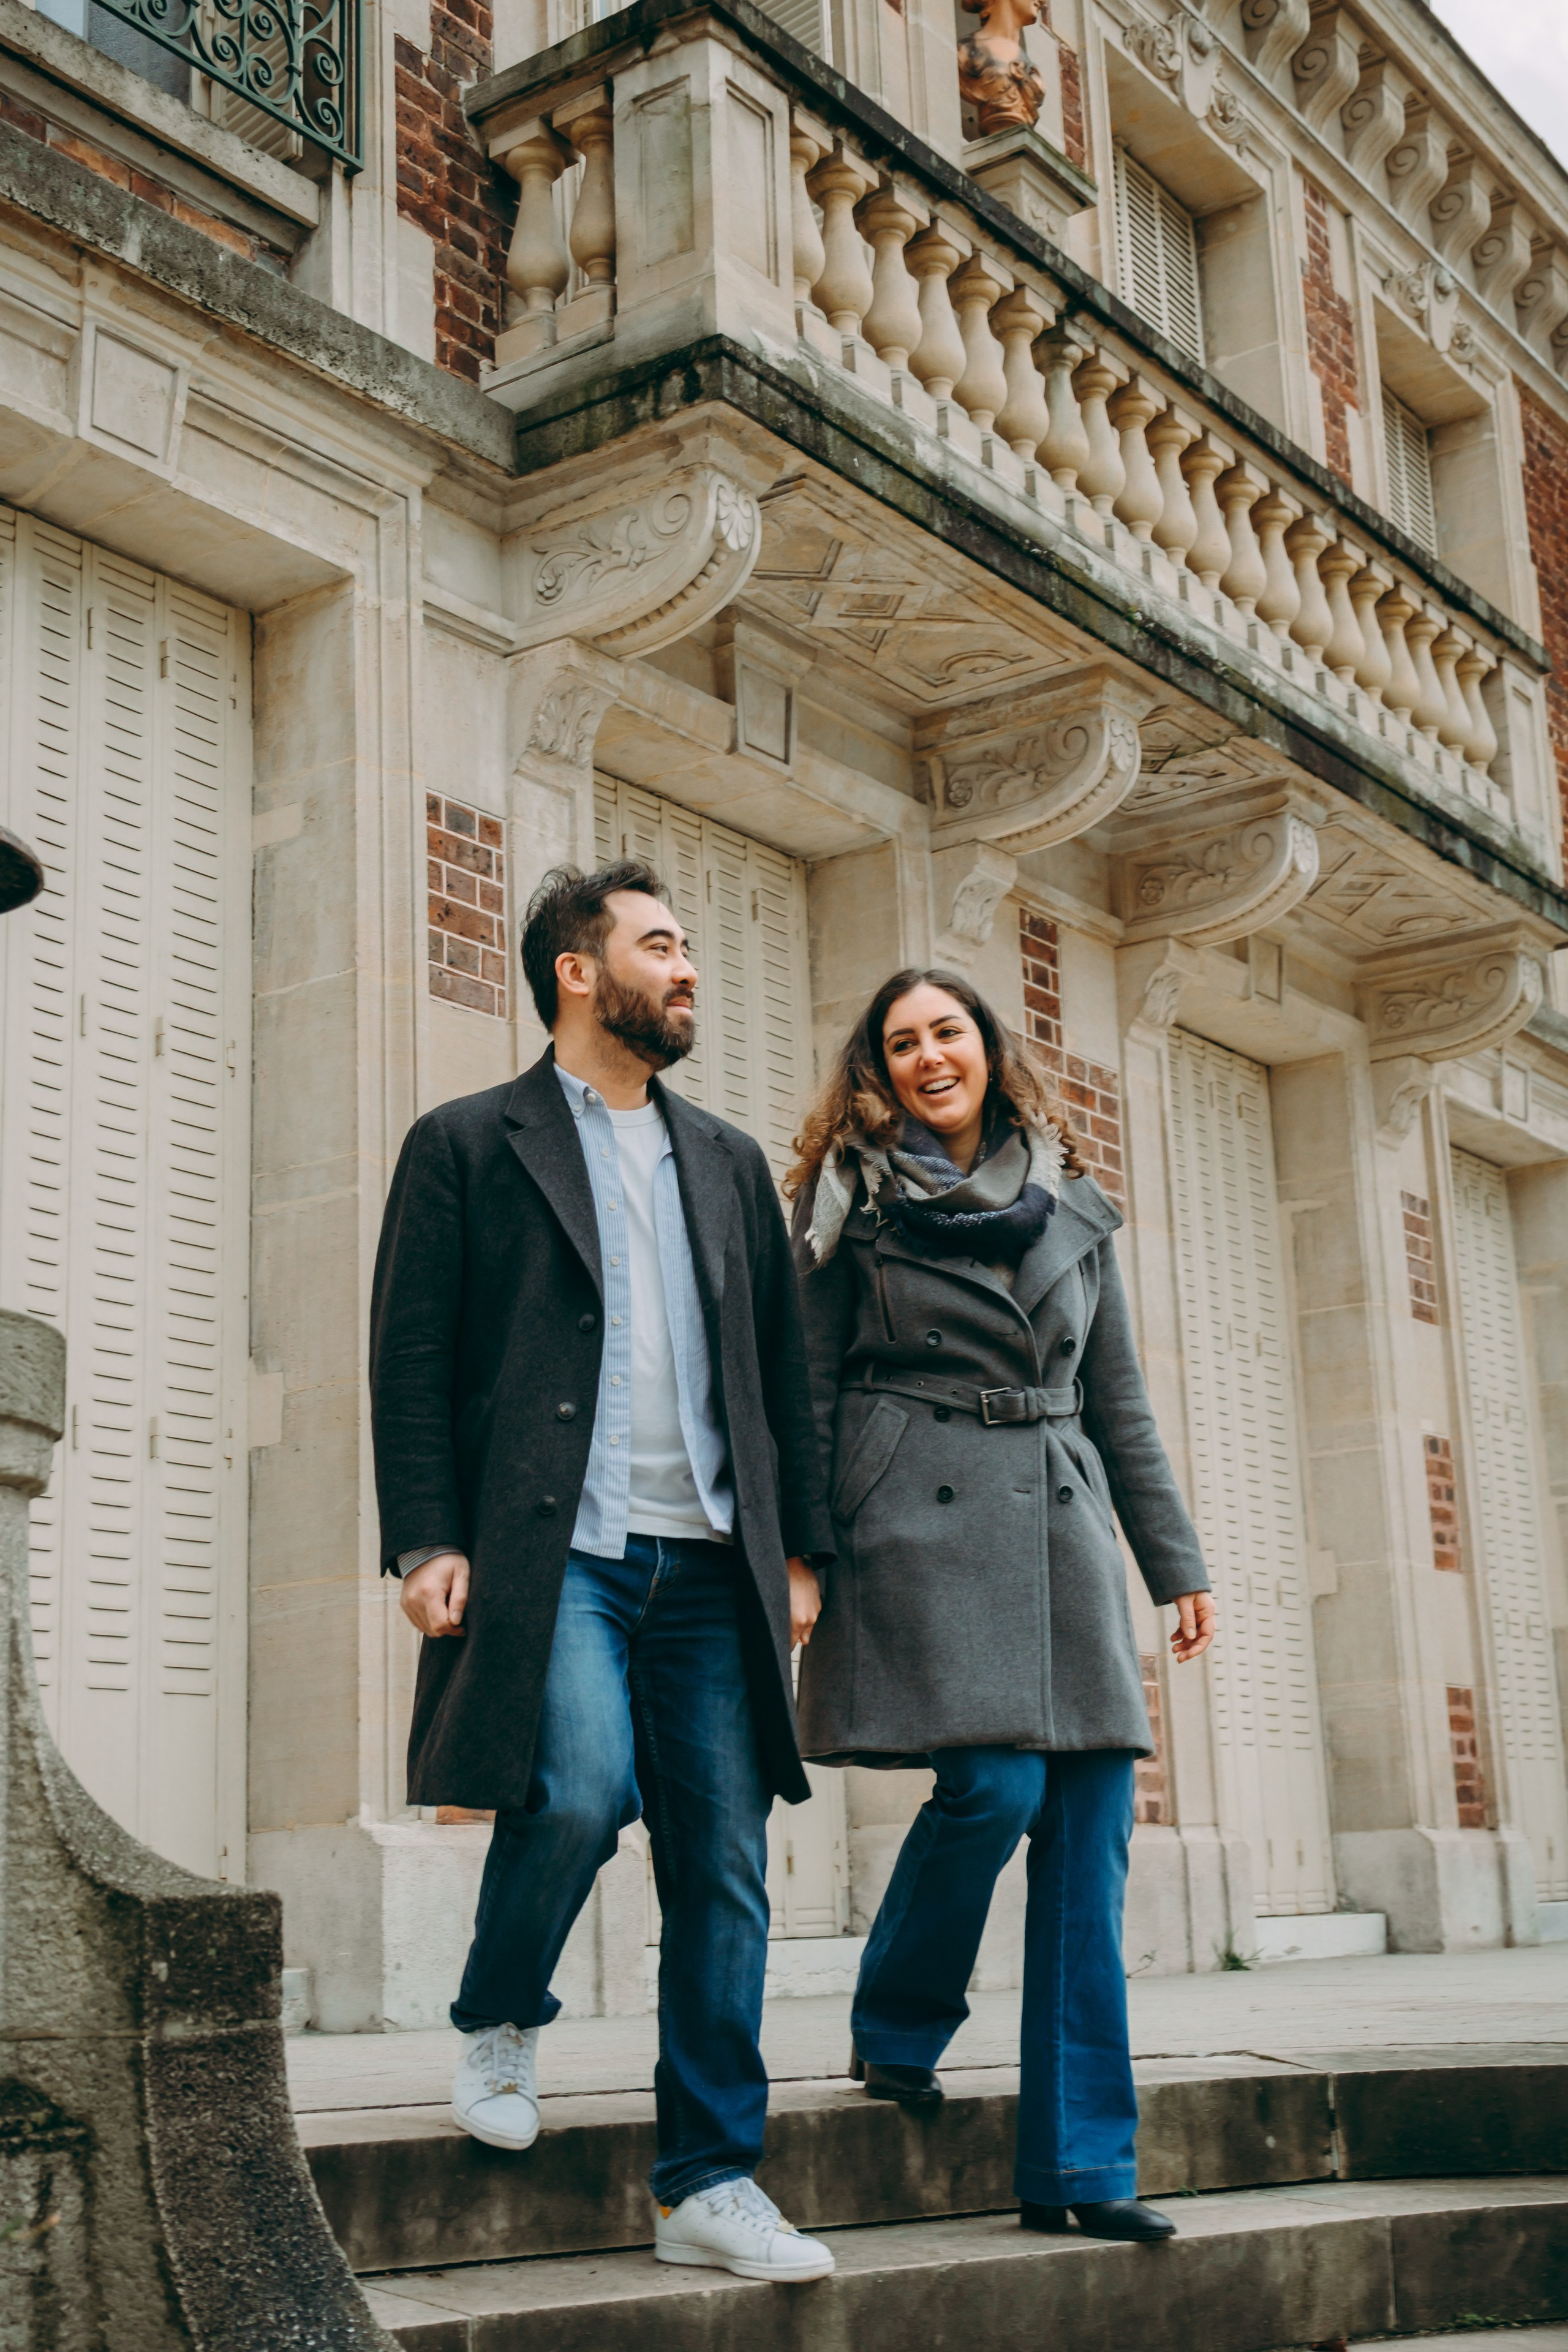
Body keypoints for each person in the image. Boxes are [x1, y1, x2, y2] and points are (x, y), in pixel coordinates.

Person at [369, 859, 837, 2284]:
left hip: (707, 1555)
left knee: (725, 1865)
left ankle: (707, 2180)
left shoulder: (729, 1162)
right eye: (660, 945)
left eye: (689, 944)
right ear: (579, 971)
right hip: (551, 1546)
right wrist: (426, 1538)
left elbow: (782, 1376)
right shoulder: (465, 1142)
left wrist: (800, 1549)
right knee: (570, 1789)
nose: (688, 968)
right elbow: (411, 1357)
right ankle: (501, 2011)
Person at [785, 968, 1216, 2244]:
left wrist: (1174, 1563)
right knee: (995, 1788)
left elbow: (1118, 1401)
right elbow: (805, 1386)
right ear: (877, 1067)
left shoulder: (1070, 1206)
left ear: (987, 1051)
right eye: (902, 1041)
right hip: (913, 1516)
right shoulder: (847, 1203)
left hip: (1058, 1520)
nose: (928, 1057)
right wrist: (805, 1551)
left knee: (1089, 1837)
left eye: (948, 1034)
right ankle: (899, 2020)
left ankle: (1082, 2172)